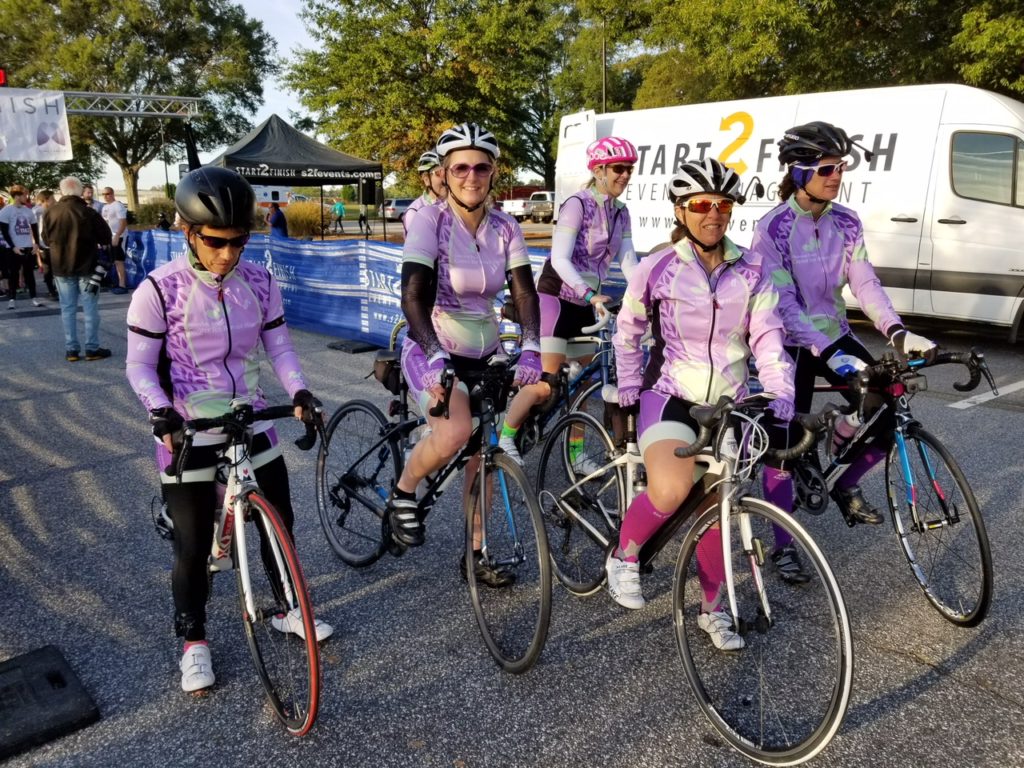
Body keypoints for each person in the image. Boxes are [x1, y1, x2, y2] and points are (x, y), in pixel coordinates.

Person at [125, 166, 333, 693]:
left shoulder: (260, 282)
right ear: (186, 230)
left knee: (279, 522)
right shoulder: (159, 289)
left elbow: (280, 348)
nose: (227, 254)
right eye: (216, 242)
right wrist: (158, 409)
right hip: (187, 427)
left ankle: (287, 608)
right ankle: (194, 640)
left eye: (238, 241)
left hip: (250, 416)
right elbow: (139, 367)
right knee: (193, 544)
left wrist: (301, 391)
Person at [609, 159, 795, 650]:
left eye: (723, 205)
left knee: (718, 509)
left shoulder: (752, 271)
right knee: (670, 491)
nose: (715, 214)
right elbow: (627, 331)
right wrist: (628, 383)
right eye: (702, 205)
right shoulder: (659, 266)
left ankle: (713, 611)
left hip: (728, 403)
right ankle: (624, 554)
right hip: (670, 396)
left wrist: (779, 389)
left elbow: (768, 335)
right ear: (682, 210)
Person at [750, 121, 935, 544]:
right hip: (789, 341)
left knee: (890, 407)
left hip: (833, 333)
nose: (836, 177)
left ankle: (846, 480)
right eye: (826, 169)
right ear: (798, 172)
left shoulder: (847, 222)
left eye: (840, 168)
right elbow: (783, 303)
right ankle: (782, 547)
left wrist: (898, 331)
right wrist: (824, 351)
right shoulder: (772, 229)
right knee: (782, 446)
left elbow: (864, 282)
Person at [389, 122, 541, 585]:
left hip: (486, 347)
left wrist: (532, 344)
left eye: (481, 167)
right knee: (456, 432)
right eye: (460, 167)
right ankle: (403, 491)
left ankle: (476, 554)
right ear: (445, 173)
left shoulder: (505, 225)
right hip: (431, 345)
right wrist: (434, 354)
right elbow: (413, 295)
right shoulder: (428, 222)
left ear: (494, 173)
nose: (470, 176)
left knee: (484, 454)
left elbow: (525, 293)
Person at [500, 136, 640, 463]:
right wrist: (589, 293)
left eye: (630, 169)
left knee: (578, 390)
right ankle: (505, 439)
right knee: (547, 384)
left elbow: (630, 263)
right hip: (556, 298)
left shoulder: (622, 213)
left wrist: (646, 297)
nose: (625, 175)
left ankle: (575, 455)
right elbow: (560, 259)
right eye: (619, 168)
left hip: (587, 305)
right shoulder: (577, 204)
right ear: (599, 169)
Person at [41, 177, 113, 361]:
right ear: (80, 191)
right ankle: (92, 348)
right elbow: (105, 237)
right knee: (90, 308)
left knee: (67, 308)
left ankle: (71, 349)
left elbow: (45, 239)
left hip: (61, 266)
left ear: (62, 191)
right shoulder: (88, 212)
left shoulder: (50, 212)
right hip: (87, 265)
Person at [0, 184, 43, 309]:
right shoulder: (6, 211)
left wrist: (36, 244)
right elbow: (5, 231)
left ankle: (34, 297)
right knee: (13, 274)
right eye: (24, 195)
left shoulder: (28, 211)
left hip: (28, 247)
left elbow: (34, 228)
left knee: (29, 274)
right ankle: (12, 299)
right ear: (17, 196)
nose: (27, 197)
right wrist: (13, 247)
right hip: (13, 248)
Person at [402, 150, 447, 234]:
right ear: (426, 179)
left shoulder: (454, 206)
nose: (446, 179)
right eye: (440, 173)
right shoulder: (415, 213)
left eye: (448, 172)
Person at [100, 187, 129, 293]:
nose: (105, 196)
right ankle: (113, 281)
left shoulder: (118, 205)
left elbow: (123, 222)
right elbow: (105, 223)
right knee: (112, 260)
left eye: (107, 194)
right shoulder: (105, 207)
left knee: (119, 260)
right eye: (103, 194)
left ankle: (122, 285)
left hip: (120, 236)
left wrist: (117, 235)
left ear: (112, 194)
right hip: (110, 236)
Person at [33, 190, 59, 300]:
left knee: (56, 267)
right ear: (46, 200)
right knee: (47, 268)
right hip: (43, 243)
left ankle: (56, 288)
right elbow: (33, 228)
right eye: (52, 199)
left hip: (55, 243)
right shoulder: (37, 211)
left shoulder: (55, 210)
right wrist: (35, 243)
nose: (54, 201)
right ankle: (51, 290)